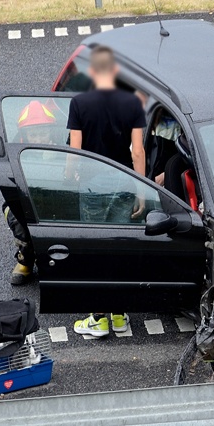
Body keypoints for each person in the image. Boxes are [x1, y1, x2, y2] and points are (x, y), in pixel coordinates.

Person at [68, 45, 146, 338]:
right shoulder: (132, 105)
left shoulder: (79, 103)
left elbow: (75, 149)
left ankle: (98, 318)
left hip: (91, 185)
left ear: (91, 72)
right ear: (114, 71)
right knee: (118, 247)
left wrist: (67, 176)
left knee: (96, 249)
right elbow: (137, 152)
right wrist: (142, 190)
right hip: (124, 183)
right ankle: (120, 316)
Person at [4, 100, 60, 285]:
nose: (38, 139)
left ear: (51, 132)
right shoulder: (16, 154)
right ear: (25, 135)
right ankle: (26, 260)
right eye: (33, 134)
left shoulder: (60, 150)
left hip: (55, 200)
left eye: (42, 133)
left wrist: (53, 161)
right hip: (26, 202)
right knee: (18, 220)